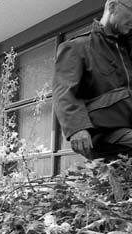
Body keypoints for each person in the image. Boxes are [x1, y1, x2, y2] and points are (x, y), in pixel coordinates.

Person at [53, 0, 132, 160]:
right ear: (112, 6)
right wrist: (77, 128)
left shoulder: (128, 49)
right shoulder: (78, 47)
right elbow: (64, 93)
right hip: (104, 133)